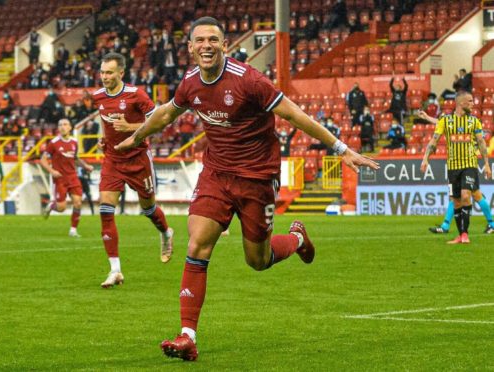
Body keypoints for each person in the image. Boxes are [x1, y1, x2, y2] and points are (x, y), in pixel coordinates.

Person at [115, 17, 379, 361]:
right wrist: (136, 137)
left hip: (257, 176)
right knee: (197, 244)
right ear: (191, 48)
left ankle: (297, 238)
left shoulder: (250, 80)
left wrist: (341, 149)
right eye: (200, 41)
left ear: (225, 45)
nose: (206, 45)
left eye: (213, 39)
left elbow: (294, 114)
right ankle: (187, 336)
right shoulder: (190, 82)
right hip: (216, 174)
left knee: (258, 260)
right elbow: (166, 114)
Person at [93, 52, 175, 288]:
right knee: (106, 210)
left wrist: (130, 127)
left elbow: (157, 122)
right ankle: (115, 270)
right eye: (102, 72)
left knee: (148, 209)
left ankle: (166, 232)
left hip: (138, 159)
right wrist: (103, 138)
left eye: (109, 72)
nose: (104, 77)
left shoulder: (135, 94)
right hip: (112, 159)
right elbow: (103, 120)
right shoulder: (98, 96)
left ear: (121, 73)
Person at [420, 92, 492, 244]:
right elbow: (434, 141)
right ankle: (461, 234)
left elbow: (481, 143)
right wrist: (425, 158)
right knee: (457, 201)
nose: (473, 104)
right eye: (470, 101)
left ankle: (466, 233)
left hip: (469, 165)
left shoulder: (474, 122)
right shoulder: (446, 121)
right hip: (453, 167)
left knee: (467, 195)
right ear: (461, 104)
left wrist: (486, 164)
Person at [41, 118, 94, 237]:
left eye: (65, 124)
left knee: (78, 203)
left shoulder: (74, 142)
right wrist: (51, 171)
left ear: (70, 127)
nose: (62, 127)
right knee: (61, 208)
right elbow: (43, 160)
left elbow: (75, 158)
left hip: (73, 177)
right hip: (60, 178)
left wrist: (85, 166)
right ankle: (52, 205)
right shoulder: (53, 143)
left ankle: (73, 230)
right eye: (60, 125)